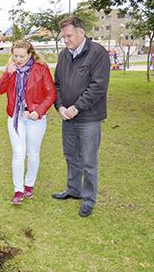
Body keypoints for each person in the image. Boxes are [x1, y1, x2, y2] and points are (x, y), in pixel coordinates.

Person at [52, 16, 110, 218]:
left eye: (68, 36)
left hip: (88, 118)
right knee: (71, 156)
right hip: (67, 117)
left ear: (81, 33)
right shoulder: (64, 55)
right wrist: (59, 106)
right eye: (63, 37)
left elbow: (98, 86)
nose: (65, 40)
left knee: (88, 161)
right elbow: (57, 84)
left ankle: (88, 199)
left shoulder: (97, 54)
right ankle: (73, 189)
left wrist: (76, 108)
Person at [0, 40, 56, 205]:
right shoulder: (11, 70)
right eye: (15, 56)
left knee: (33, 152)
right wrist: (7, 73)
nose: (18, 59)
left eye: (22, 56)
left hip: (34, 118)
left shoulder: (41, 69)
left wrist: (39, 110)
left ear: (30, 54)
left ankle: (29, 185)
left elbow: (51, 93)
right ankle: (18, 190)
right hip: (15, 118)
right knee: (18, 153)